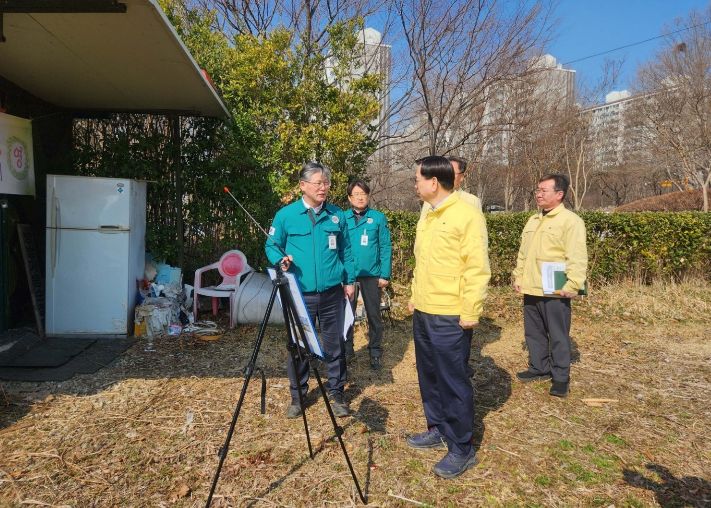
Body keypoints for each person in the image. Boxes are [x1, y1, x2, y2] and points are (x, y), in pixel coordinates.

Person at [406, 155, 491, 479]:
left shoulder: (466, 214)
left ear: (433, 182)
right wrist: (415, 297)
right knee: (429, 375)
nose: (415, 184)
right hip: (425, 310)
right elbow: (422, 261)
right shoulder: (428, 214)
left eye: (417, 179)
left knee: (453, 380)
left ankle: (461, 447)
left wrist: (471, 311)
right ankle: (438, 427)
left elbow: (477, 267)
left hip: (451, 315)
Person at [265, 162, 355, 418]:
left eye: (326, 183)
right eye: (318, 183)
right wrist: (280, 260)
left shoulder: (337, 215)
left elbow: (346, 251)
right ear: (303, 186)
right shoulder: (286, 215)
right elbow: (271, 245)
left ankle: (337, 393)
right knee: (298, 345)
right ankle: (298, 396)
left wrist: (349, 281)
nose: (323, 187)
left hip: (332, 293)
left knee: (335, 344)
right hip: (299, 294)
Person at [512, 174, 588, 398]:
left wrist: (573, 284)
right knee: (533, 332)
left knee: (558, 334)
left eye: (544, 190)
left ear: (559, 194)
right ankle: (539, 367)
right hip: (531, 286)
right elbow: (523, 254)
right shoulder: (533, 220)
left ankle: (561, 377)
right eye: (538, 190)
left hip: (556, 288)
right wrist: (518, 276)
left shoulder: (570, 221)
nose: (538, 194)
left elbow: (577, 256)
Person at [344, 179, 392, 370]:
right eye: (356, 194)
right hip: (348, 275)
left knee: (374, 315)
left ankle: (375, 351)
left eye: (363, 194)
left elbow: (385, 247)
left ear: (368, 196)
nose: (360, 197)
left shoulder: (378, 218)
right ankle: (347, 350)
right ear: (350, 198)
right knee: (347, 315)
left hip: (372, 274)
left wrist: (385, 274)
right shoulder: (342, 218)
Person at [419, 155, 481, 220]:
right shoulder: (430, 201)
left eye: (451, 173)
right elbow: (423, 225)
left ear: (462, 177)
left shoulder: (472, 201)